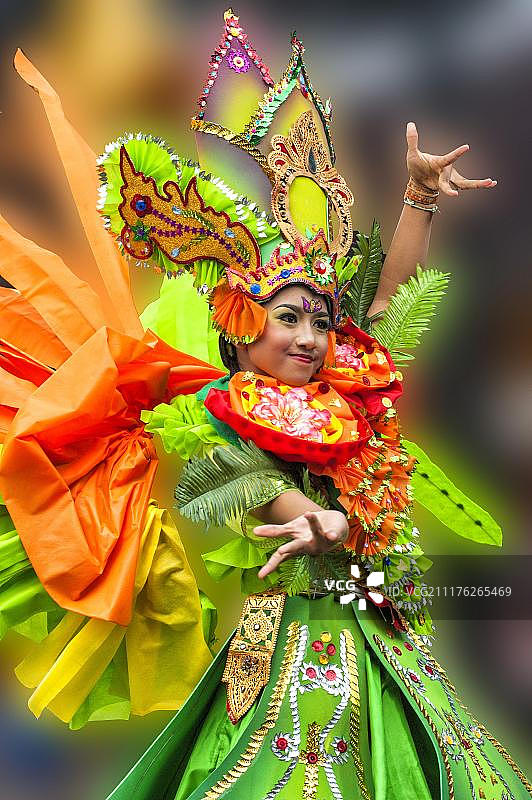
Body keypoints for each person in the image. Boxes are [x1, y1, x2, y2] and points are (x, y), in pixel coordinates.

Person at [0, 8, 529, 800]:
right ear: (240, 329)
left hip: (382, 635)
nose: (312, 337)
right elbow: (257, 486)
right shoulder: (215, 412)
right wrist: (322, 519)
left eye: (321, 319)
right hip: (294, 651)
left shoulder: (347, 398)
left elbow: (384, 317)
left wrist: (418, 201)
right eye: (288, 318)